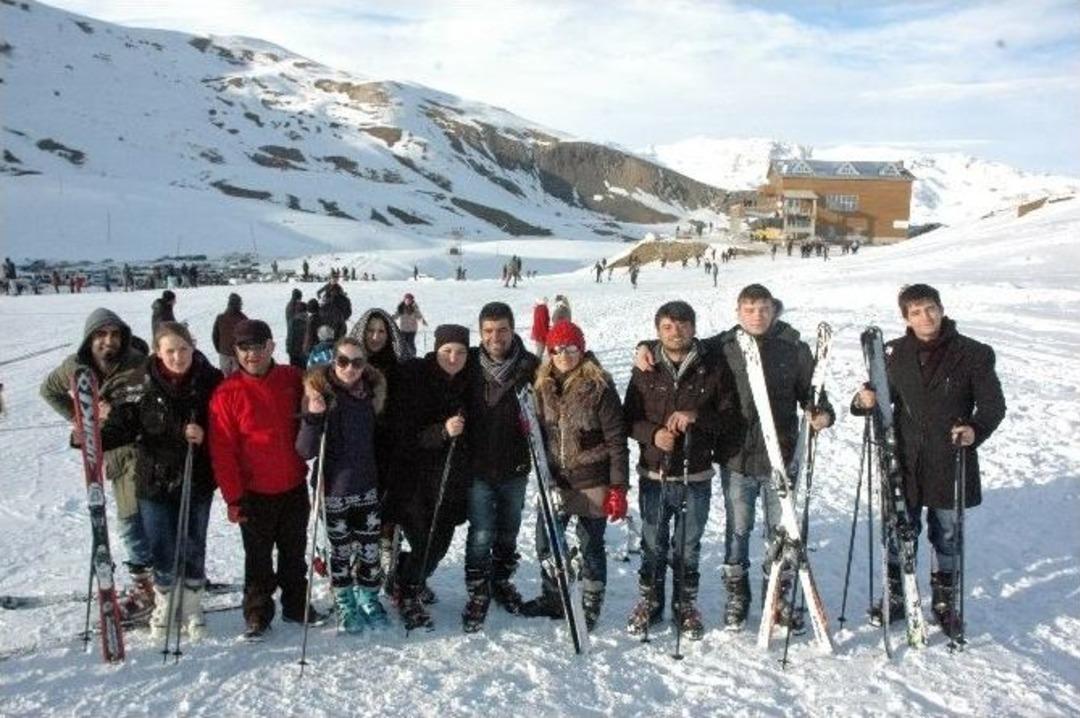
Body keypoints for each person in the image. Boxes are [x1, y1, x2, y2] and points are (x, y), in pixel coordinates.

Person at [852, 283, 1005, 637]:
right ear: (906, 317)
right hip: (902, 459)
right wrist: (864, 401)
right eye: (916, 312)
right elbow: (873, 398)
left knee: (947, 534)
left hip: (949, 457)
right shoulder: (892, 353)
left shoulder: (974, 353)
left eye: (930, 308)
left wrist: (974, 430)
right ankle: (897, 595)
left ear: (941, 308)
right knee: (899, 531)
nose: (926, 317)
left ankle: (943, 601)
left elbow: (993, 406)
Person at [624, 300, 741, 639]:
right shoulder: (645, 368)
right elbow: (628, 419)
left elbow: (730, 418)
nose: (676, 333)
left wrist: (697, 417)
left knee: (688, 545)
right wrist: (653, 434)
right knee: (653, 542)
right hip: (654, 473)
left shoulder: (713, 367)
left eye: (683, 325)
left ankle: (685, 604)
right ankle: (650, 601)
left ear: (693, 327)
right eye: (668, 327)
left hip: (696, 473)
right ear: (658, 330)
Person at [100, 322, 223, 639]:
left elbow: (226, 426)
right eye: (170, 351)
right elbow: (122, 427)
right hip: (154, 480)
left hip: (197, 477)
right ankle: (166, 606)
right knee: (162, 549)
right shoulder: (140, 383)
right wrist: (91, 436)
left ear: (192, 347)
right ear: (158, 351)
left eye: (183, 349)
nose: (178, 357)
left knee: (193, 545)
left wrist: (205, 436)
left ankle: (193, 608)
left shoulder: (209, 380)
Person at [208, 319, 324, 639]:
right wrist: (234, 497)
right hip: (254, 493)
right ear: (236, 351)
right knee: (257, 558)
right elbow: (223, 451)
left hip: (292, 486)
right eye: (244, 349)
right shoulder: (226, 393)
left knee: (293, 551)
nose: (252, 355)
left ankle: (296, 604)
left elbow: (317, 397)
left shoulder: (291, 378)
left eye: (258, 347)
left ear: (271, 346)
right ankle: (258, 610)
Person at [39, 308, 156, 622]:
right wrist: (82, 418)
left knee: (136, 520)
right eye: (102, 335)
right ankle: (153, 579)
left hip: (141, 449)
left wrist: (115, 413)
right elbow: (48, 390)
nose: (109, 341)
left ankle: (149, 587)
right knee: (133, 518)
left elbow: (155, 401)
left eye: (115, 334)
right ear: (90, 337)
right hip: (111, 453)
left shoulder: (137, 365)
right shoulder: (74, 367)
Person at [518, 321, 628, 631]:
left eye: (571, 348)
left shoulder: (599, 386)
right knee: (546, 541)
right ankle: (554, 596)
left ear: (581, 348)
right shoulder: (541, 387)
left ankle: (591, 601)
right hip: (555, 479)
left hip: (593, 477)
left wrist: (618, 487)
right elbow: (537, 431)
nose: (564, 355)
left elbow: (617, 440)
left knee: (591, 542)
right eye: (557, 349)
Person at [296, 337, 390, 634]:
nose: (350, 368)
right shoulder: (321, 395)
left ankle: (368, 597)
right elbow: (305, 450)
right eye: (343, 361)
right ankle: (344, 600)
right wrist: (313, 415)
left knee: (370, 551)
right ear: (333, 362)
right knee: (340, 552)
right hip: (334, 489)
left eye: (357, 362)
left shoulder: (371, 395)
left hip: (367, 486)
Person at [460, 302, 540, 632]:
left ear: (512, 329)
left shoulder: (530, 366)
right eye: (489, 331)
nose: (496, 337)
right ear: (481, 333)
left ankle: (500, 579)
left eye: (502, 330)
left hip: (515, 465)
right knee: (481, 532)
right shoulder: (468, 366)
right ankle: (478, 589)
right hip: (478, 466)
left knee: (508, 528)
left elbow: (567, 373)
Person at [386, 325, 472, 630]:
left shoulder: (468, 380)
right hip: (414, 481)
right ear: (435, 351)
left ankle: (409, 575)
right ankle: (407, 589)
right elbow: (405, 433)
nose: (454, 357)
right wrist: (441, 432)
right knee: (426, 543)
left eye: (461, 351)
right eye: (447, 351)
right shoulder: (417, 379)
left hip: (449, 482)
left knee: (440, 544)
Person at [348, 309, 408, 585]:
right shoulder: (348, 368)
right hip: (355, 450)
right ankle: (356, 561)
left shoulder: (400, 367)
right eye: (370, 331)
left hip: (391, 449)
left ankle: (388, 558)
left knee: (387, 507)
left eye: (381, 331)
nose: (375, 337)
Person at [211, 293, 247, 375]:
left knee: (226, 379)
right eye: (240, 303)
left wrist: (220, 349)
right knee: (238, 380)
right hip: (237, 355)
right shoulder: (243, 319)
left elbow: (215, 336)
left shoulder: (220, 318)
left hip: (224, 354)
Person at [392, 293, 428, 359]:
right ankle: (403, 355)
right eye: (407, 299)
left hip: (412, 329)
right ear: (404, 300)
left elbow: (419, 316)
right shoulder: (401, 308)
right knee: (403, 343)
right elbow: (396, 314)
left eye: (409, 300)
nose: (408, 301)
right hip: (403, 329)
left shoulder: (414, 308)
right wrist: (391, 318)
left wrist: (423, 321)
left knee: (410, 343)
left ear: (412, 300)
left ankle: (413, 355)